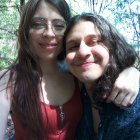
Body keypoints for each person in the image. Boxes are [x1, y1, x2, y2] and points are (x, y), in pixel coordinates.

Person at [0, 0, 139, 139]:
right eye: (38, 24)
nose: (49, 33)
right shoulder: (8, 79)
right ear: (25, 31)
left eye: (59, 25)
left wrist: (131, 72)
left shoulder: (77, 73)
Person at [63, 13, 140, 139]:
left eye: (94, 41)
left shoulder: (135, 101)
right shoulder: (77, 97)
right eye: (73, 46)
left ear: (112, 47)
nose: (83, 52)